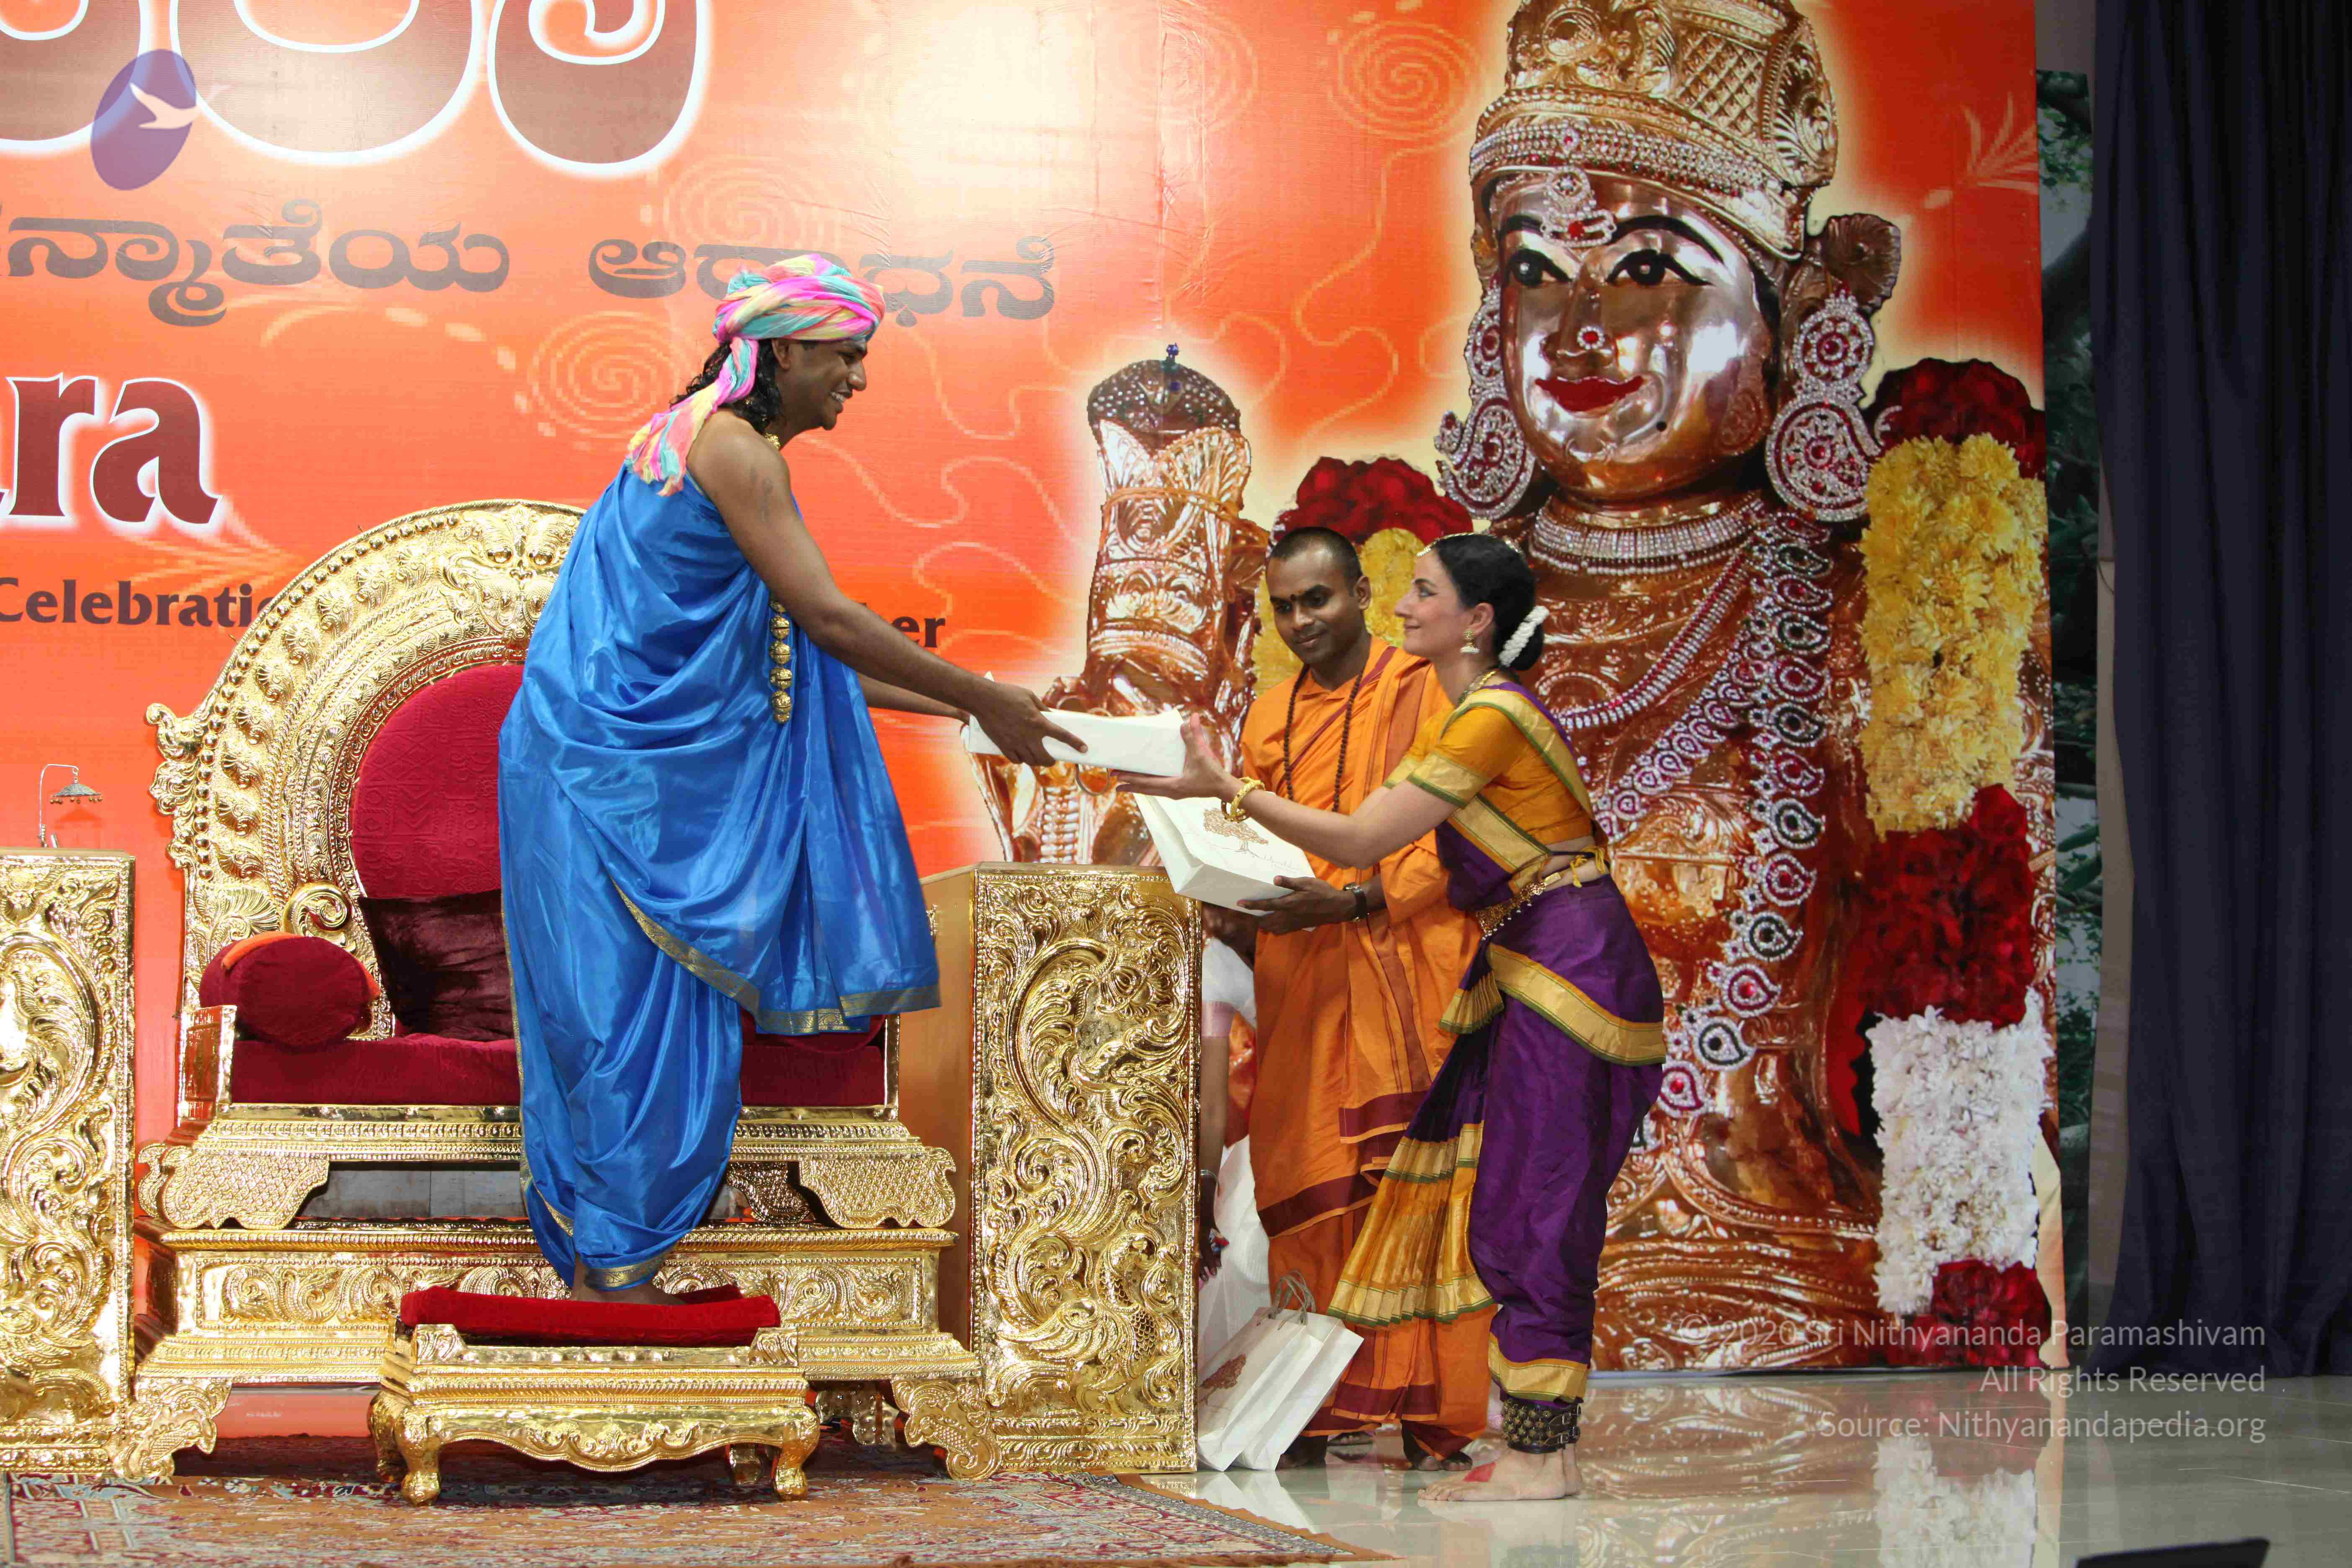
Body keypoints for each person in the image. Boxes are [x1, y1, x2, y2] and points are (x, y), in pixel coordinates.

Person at [500, 255, 1079, 1303]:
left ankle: (609, 1266)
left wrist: (969, 708)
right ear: (780, 353)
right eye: (843, 355)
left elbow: (801, 655)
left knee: (622, 1013)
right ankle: (615, 1280)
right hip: (616, 779)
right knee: (628, 1017)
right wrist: (982, 695)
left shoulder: (691, 438)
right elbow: (828, 620)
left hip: (596, 767)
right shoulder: (735, 452)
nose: (858, 378)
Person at [1122, 532, 1663, 1502]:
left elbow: (1370, 837)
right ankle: (1543, 1449)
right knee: (1510, 1206)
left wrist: (1231, 791)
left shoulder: (1486, 714)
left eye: (1422, 592)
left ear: (1476, 620)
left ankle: (1538, 1456)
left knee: (1537, 1207)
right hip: (1527, 960)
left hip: (1567, 966)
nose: (1405, 608)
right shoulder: (1463, 707)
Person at [1234, 526, 1487, 1470]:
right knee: (1312, 1181)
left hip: (1413, 963)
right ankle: (1312, 1406)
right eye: (1284, 607)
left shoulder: (1427, 688)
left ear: (1360, 594)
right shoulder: (1267, 717)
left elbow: (1465, 827)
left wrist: (1362, 898)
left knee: (1418, 1190)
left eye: (1318, 599)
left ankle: (1436, 1413)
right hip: (1303, 978)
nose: (1301, 621)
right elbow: (1253, 838)